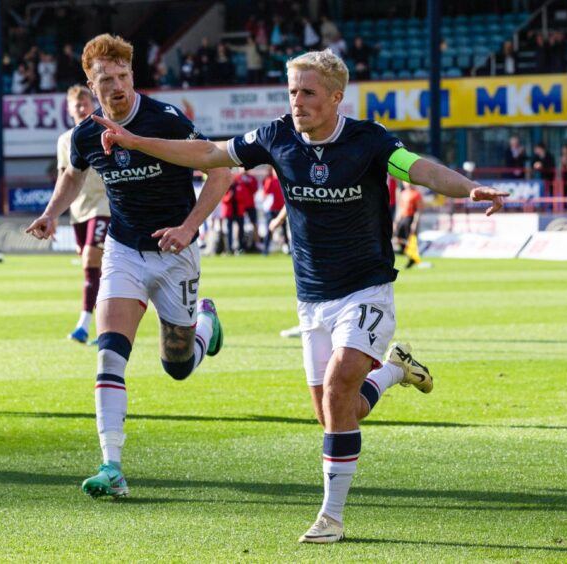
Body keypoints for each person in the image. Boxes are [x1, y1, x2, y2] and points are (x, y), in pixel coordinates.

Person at [90, 49, 507, 544]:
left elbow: (418, 169)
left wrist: (467, 188)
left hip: (366, 290)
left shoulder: (369, 142)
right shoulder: (275, 136)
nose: (297, 102)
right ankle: (394, 370)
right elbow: (209, 154)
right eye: (292, 91)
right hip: (312, 298)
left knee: (337, 388)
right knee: (336, 412)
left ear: (335, 97)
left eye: (307, 93)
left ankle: (330, 516)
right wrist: (136, 142)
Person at [25, 34, 232, 498]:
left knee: (177, 366)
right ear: (91, 84)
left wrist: (189, 226)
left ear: (132, 75)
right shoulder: (84, 135)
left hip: (177, 253)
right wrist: (50, 213)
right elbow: (73, 175)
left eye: (122, 76)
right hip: (124, 252)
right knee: (109, 351)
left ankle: (206, 326)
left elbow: (220, 171)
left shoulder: (166, 119)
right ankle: (111, 465)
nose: (116, 86)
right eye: (106, 79)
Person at [57, 85, 111, 344]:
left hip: (103, 205)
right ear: (69, 110)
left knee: (91, 259)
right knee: (93, 269)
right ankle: (107, 326)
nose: (81, 108)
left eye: (85, 103)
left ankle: (84, 325)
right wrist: (53, 214)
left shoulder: (103, 130)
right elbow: (63, 177)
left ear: (92, 105)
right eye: (76, 105)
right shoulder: (64, 140)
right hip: (78, 210)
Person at [393, 181, 424, 268]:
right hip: (402, 217)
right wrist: (396, 221)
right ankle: (408, 254)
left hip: (410, 218)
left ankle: (412, 258)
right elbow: (400, 208)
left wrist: (415, 222)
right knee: (398, 238)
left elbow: (418, 210)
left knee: (410, 239)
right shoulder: (403, 194)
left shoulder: (416, 194)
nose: (407, 184)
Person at [262, 166, 288, 255]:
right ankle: (265, 249)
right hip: (272, 210)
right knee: (269, 229)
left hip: (281, 210)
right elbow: (265, 195)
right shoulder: (270, 181)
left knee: (284, 230)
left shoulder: (283, 181)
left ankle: (288, 249)